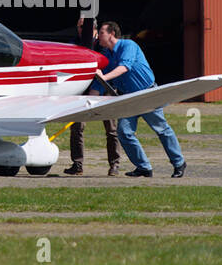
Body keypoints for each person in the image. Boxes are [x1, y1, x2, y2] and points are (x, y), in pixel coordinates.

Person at [94, 21, 187, 178]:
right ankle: (143, 167)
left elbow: (125, 67)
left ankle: (179, 163)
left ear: (112, 34)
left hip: (147, 95)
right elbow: (99, 83)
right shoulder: (107, 55)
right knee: (124, 133)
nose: (98, 36)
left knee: (161, 129)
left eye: (101, 32)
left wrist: (104, 77)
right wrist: (91, 99)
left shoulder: (128, 45)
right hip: (128, 98)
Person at [65, 16, 121, 176]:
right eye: (80, 27)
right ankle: (77, 164)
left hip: (104, 89)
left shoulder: (104, 45)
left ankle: (115, 164)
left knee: (111, 130)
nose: (81, 30)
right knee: (76, 128)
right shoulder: (74, 43)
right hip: (82, 90)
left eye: (85, 27)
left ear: (95, 29)